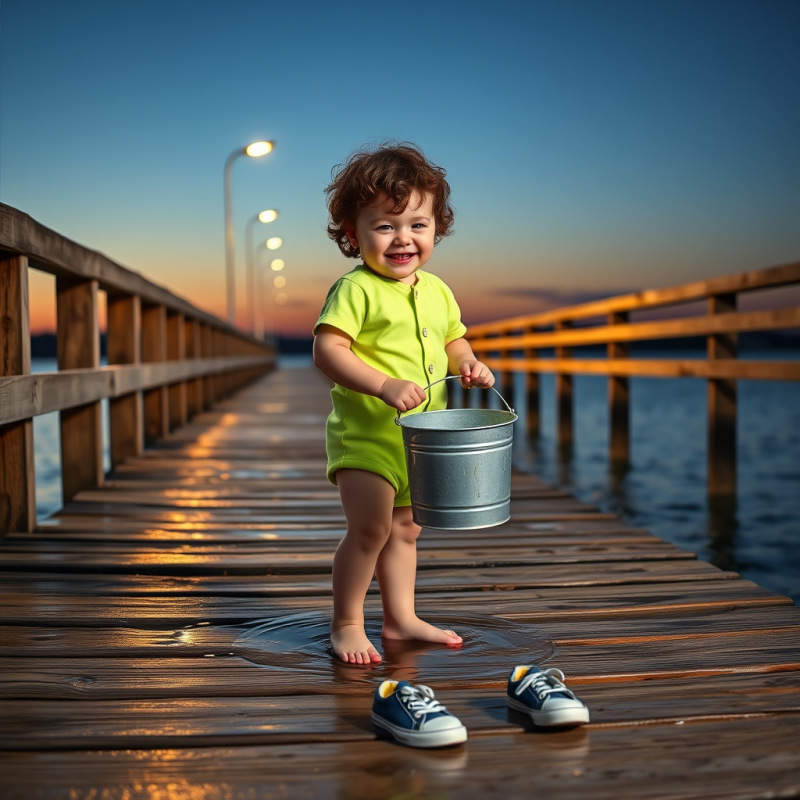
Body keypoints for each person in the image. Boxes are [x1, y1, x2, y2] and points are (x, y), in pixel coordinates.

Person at [312, 142, 495, 665]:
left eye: (417, 224)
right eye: (384, 226)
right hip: (367, 435)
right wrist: (383, 384)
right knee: (369, 529)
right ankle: (347, 622)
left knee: (407, 530)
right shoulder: (356, 289)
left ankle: (401, 618)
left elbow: (453, 339)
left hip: (422, 436)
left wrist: (469, 362)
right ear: (353, 233)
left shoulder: (438, 290)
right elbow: (328, 350)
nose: (403, 239)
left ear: (437, 227)